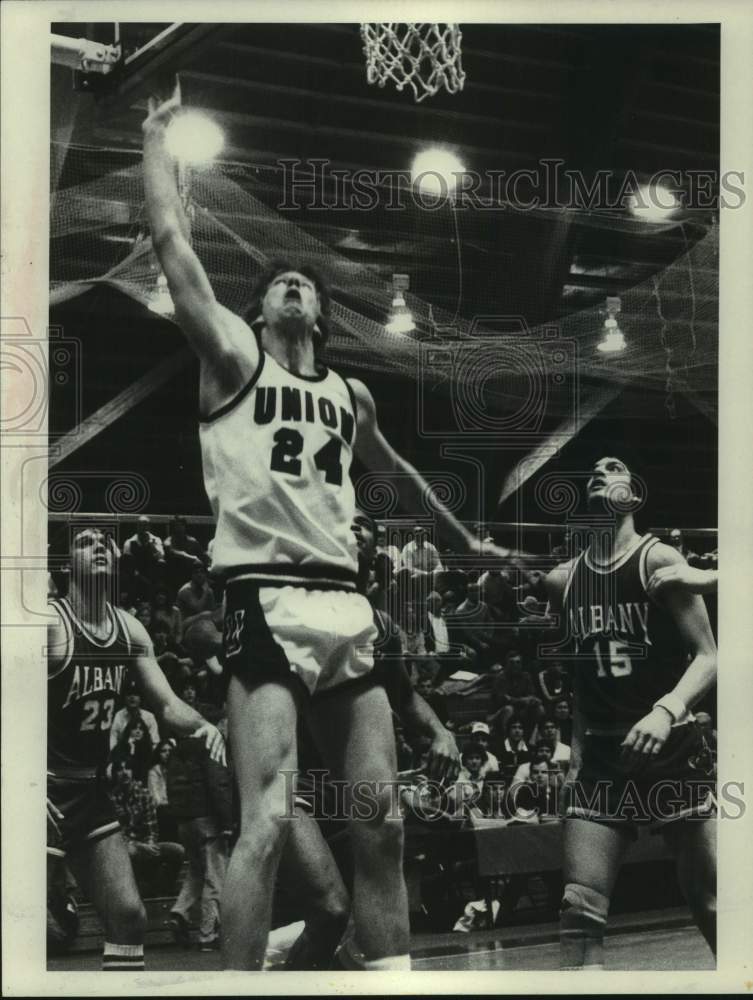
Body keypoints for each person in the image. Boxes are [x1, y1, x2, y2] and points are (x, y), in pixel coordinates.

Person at [143, 86, 509, 971]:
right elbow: (171, 243)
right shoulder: (231, 356)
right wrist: (155, 140)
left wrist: (464, 540)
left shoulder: (352, 394)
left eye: (303, 280)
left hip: (347, 601)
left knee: (378, 818)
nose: (295, 283)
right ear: (260, 313)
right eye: (279, 283)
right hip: (262, 594)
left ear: (319, 317)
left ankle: (391, 975)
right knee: (266, 817)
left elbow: (402, 476)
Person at [545, 456, 717, 970]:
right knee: (579, 914)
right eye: (592, 469)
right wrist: (575, 755)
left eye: (614, 467)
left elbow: (709, 654)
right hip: (601, 754)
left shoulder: (658, 559)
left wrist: (666, 711)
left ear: (634, 498)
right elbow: (579, 679)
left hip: (672, 747)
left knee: (711, 905)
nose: (598, 470)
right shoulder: (562, 581)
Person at [47, 527, 224, 971]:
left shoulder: (129, 629)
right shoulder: (49, 624)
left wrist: (204, 726)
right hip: (41, 790)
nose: (101, 545)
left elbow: (165, 704)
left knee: (128, 917)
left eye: (106, 541)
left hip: (90, 793)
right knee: (29, 923)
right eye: (86, 542)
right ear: (69, 565)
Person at [165, 732, 234, 951]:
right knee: (215, 876)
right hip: (207, 818)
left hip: (185, 820)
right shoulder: (211, 744)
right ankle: (208, 934)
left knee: (196, 872)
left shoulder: (178, 748)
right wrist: (228, 821)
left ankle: (180, 912)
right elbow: (218, 783)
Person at [109, 757, 185, 897]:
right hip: (126, 848)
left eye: (128, 768)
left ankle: (163, 888)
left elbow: (151, 826)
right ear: (115, 774)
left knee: (177, 850)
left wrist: (150, 843)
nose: (125, 773)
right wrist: (138, 845)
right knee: (131, 852)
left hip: (145, 844)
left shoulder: (143, 794)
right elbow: (118, 836)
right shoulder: (112, 799)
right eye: (120, 769)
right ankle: (135, 888)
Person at [110, 686, 160, 751]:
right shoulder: (119, 715)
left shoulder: (149, 717)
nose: (132, 697)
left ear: (140, 698)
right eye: (129, 694)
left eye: (136, 695)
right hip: (124, 755)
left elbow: (155, 742)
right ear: (124, 698)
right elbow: (113, 738)